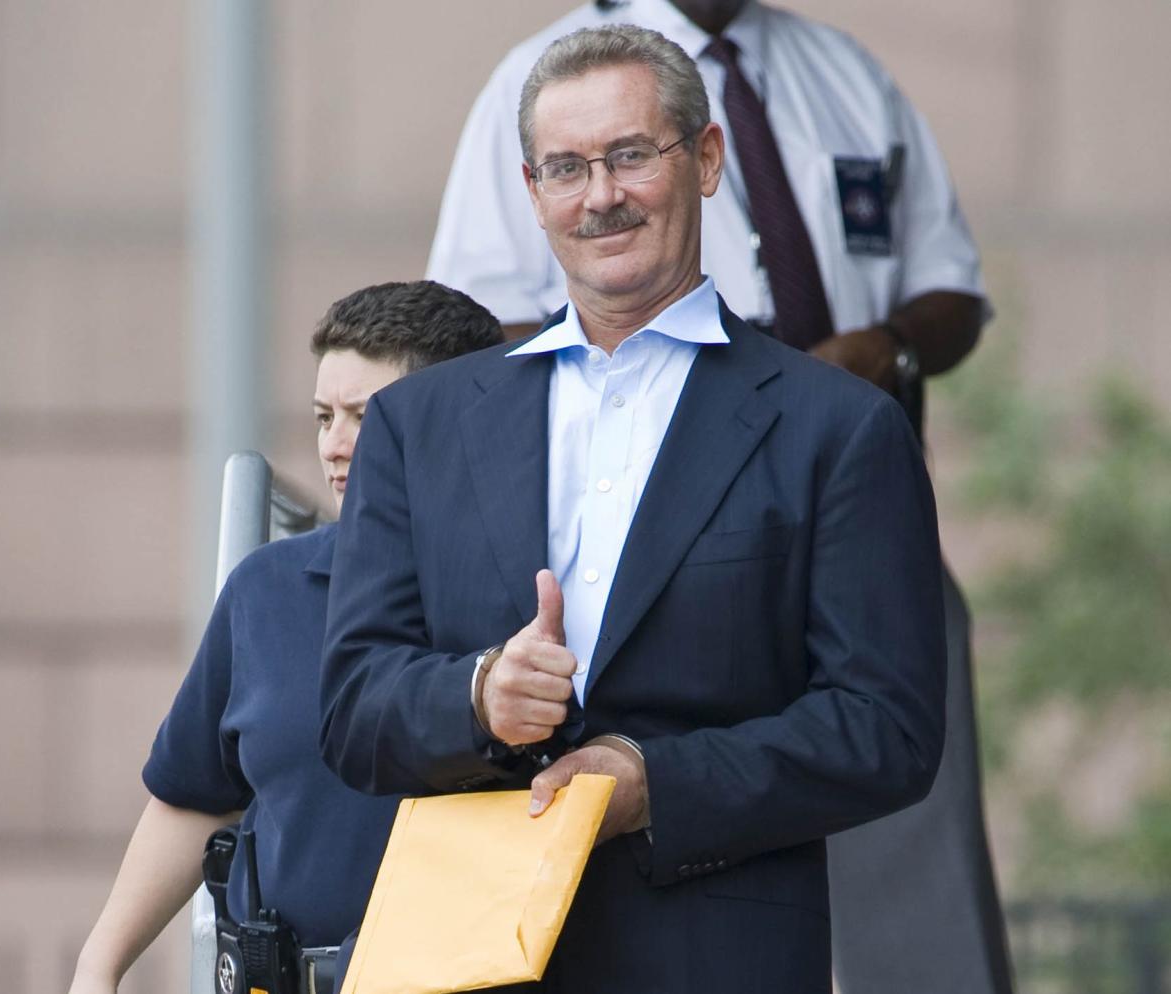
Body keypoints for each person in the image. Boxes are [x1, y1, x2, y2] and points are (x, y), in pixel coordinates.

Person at [320, 27, 945, 993]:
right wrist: (478, 695)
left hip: (714, 954)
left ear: (703, 161)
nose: (600, 195)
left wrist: (659, 784)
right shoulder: (420, 425)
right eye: (566, 167)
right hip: (461, 955)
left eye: (629, 156)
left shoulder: (839, 427)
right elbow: (353, 707)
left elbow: (887, 731)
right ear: (531, 192)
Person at [67, 282, 502, 994]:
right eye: (324, 415)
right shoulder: (265, 590)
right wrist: (99, 966)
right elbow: (194, 792)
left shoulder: (522, 595)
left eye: (366, 416)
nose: (334, 444)